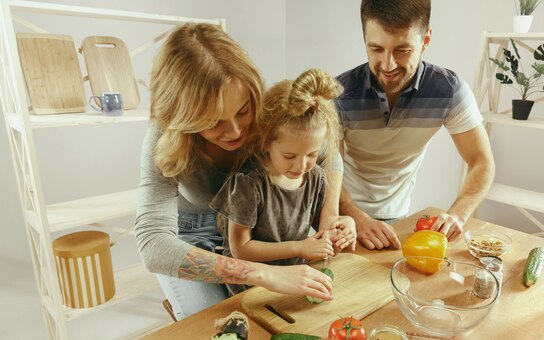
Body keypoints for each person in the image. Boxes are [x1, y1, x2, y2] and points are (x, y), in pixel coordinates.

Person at [135, 23, 352, 321]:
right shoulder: (162, 135)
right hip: (193, 234)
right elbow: (153, 245)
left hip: (259, 228)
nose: (236, 131)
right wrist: (261, 273)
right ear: (181, 117)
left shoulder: (272, 107)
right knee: (212, 321)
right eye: (213, 122)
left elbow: (329, 156)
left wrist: (329, 216)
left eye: (242, 111)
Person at [336, 0, 495, 250]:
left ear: (426, 39)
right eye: (376, 49)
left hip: (401, 218)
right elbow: (325, 172)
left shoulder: (449, 91)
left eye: (402, 50)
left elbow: (482, 162)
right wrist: (356, 218)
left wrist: (457, 214)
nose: (388, 65)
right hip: (342, 217)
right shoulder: (339, 95)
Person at [210, 69, 354, 293]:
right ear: (266, 142)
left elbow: (321, 230)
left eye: (312, 154)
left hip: (295, 279)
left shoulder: (316, 176)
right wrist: (300, 247)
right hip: (251, 285)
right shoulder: (247, 184)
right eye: (289, 156)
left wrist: (342, 228)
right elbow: (241, 249)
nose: (302, 166)